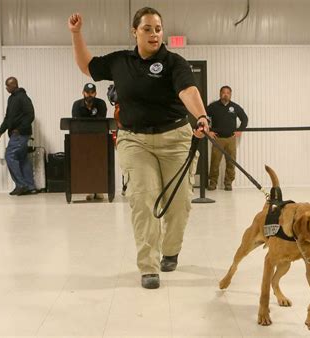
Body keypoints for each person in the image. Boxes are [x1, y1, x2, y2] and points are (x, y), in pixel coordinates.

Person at [68, 7, 210, 289]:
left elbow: (187, 91)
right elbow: (87, 66)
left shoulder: (174, 62)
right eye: (147, 28)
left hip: (175, 139)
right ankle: (149, 265)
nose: (154, 34)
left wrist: (202, 116)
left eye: (158, 28)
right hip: (134, 140)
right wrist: (76, 34)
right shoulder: (120, 61)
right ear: (135, 32)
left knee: (180, 203)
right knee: (143, 199)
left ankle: (170, 250)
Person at [0, 77, 38, 196]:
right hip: (17, 133)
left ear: (14, 85)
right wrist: (0, 132)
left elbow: (30, 114)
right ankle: (30, 186)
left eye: (7, 86)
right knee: (22, 159)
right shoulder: (11, 99)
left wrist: (20, 129)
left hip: (20, 134)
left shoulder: (23, 97)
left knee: (10, 156)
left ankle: (21, 185)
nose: (6, 88)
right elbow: (8, 118)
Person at [207, 86, 248, 191]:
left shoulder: (235, 107)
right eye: (223, 92)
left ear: (230, 94)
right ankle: (212, 183)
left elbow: (244, 119)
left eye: (228, 93)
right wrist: (209, 131)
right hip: (217, 139)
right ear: (220, 94)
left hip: (231, 139)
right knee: (215, 162)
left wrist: (240, 130)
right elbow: (204, 118)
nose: (225, 94)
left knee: (231, 162)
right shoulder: (213, 106)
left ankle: (228, 183)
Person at [71, 82, 107, 201]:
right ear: (83, 93)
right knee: (86, 165)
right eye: (87, 92)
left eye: (92, 93)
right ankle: (89, 189)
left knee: (99, 165)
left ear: (95, 93)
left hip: (99, 139)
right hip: (82, 140)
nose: (89, 95)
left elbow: (101, 121)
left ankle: (99, 189)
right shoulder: (77, 105)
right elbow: (76, 123)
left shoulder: (101, 104)